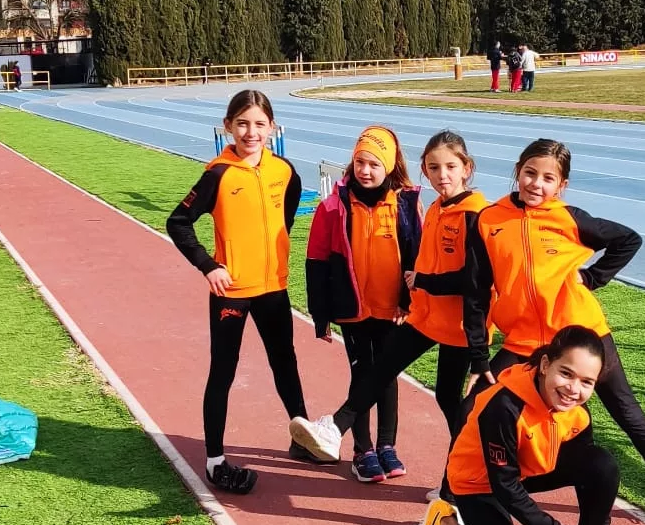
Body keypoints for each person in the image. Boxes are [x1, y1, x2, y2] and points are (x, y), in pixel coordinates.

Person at [464, 137, 645, 525]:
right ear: (517, 170)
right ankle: (454, 494)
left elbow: (627, 240)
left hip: (583, 333)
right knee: (474, 408)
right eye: (530, 173)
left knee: (627, 412)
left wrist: (591, 277)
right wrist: (479, 356)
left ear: (561, 186)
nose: (536, 184)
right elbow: (477, 291)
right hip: (524, 340)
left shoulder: (569, 218)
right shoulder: (487, 220)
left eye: (549, 178)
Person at [166, 88, 338, 495]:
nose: (251, 132)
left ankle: (303, 436)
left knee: (285, 361)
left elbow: (288, 210)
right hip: (233, 291)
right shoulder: (218, 174)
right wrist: (209, 265)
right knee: (223, 370)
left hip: (273, 286)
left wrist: (275, 248)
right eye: (242, 123)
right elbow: (179, 222)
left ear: (272, 128)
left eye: (259, 124)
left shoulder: (284, 172)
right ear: (228, 126)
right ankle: (214, 460)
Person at [295, 130, 486, 454]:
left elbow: (475, 280)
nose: (443, 176)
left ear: (466, 168)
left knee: (447, 397)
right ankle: (335, 429)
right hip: (427, 315)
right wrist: (413, 295)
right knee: (384, 369)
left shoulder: (475, 213)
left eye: (450, 167)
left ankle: (466, 477)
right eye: (434, 168)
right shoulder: (439, 208)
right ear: (424, 170)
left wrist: (423, 283)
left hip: (462, 323)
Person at [410, 326, 625, 525]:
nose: (574, 389)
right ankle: (446, 524)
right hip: (479, 484)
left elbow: (589, 465)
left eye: (587, 382)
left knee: (603, 465)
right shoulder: (503, 407)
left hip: (522, 473)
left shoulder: (576, 410)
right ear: (546, 365)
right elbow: (505, 486)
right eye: (566, 373)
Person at [303, 126, 421, 482]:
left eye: (373, 163)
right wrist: (321, 315)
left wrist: (409, 301)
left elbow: (417, 257)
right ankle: (362, 450)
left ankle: (387, 446)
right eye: (359, 162)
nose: (365, 170)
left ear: (388, 166)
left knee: (387, 375)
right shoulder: (334, 206)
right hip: (353, 309)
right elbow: (316, 261)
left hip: (392, 310)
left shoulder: (405, 204)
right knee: (363, 375)